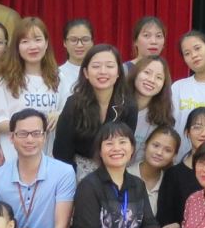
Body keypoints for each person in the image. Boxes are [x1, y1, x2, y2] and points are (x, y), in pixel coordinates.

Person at [53, 44, 139, 178]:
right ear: (86, 73)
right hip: (77, 173)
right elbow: (62, 152)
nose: (103, 71)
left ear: (118, 73)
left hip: (114, 171)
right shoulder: (73, 104)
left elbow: (126, 149)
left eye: (109, 66)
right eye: (96, 66)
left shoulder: (129, 106)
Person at [0, 16, 64, 165]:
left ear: (46, 43)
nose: (32, 46)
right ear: (17, 47)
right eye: (25, 41)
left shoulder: (59, 77)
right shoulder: (5, 81)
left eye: (37, 39)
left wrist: (59, 116)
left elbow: (67, 112)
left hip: (50, 160)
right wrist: (32, 127)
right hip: (14, 159)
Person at [137, 125, 200, 228]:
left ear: (174, 156)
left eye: (167, 150)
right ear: (145, 145)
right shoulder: (125, 175)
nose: (159, 153)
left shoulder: (172, 181)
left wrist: (176, 226)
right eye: (155, 145)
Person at [128, 54, 176, 152]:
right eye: (147, 72)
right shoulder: (116, 106)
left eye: (159, 77)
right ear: (135, 73)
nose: (151, 80)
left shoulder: (163, 118)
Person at [59, 18, 95, 86]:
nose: (79, 45)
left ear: (92, 42)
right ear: (64, 43)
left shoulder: (100, 73)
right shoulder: (56, 76)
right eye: (73, 40)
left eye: (85, 39)